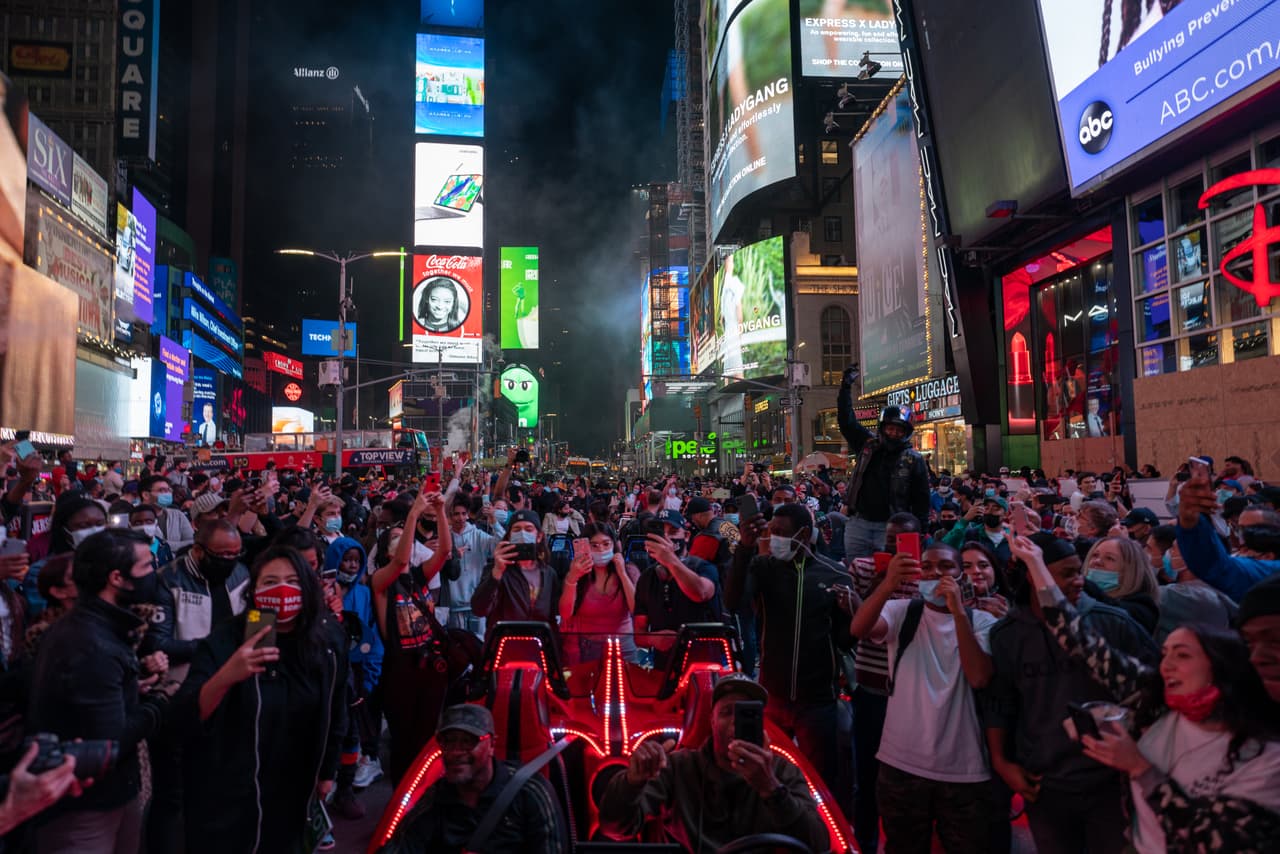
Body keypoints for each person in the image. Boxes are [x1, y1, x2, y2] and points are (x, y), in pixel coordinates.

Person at [1014, 534, 1280, 852]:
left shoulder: (1263, 746)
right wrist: (1034, 562)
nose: (1166, 665)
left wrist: (1139, 767)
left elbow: (1215, 841)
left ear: (1218, 665)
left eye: (1182, 655)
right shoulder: (1158, 702)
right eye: (1165, 654)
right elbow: (1077, 638)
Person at [986, 533, 1159, 854]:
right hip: (1046, 785)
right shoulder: (1007, 635)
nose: (1079, 580)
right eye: (1067, 573)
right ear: (1035, 576)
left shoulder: (1113, 623)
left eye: (1079, 570)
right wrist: (1002, 762)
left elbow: (1153, 693)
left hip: (1112, 784)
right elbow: (1002, 703)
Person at [26, 529, 174, 852]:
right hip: (84, 806)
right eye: (147, 567)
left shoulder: (106, 628)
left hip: (112, 794)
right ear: (117, 578)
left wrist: (133, 689)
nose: (156, 574)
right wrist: (159, 702)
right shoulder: (90, 642)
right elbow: (110, 740)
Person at [849, 541, 997, 853]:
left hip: (963, 768)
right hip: (900, 763)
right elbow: (860, 628)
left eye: (946, 567)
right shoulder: (903, 612)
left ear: (960, 575)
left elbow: (979, 675)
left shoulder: (982, 623)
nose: (935, 574)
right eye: (927, 567)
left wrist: (958, 611)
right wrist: (889, 584)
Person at [597, 674, 829, 851]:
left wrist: (770, 789)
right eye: (728, 712)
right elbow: (615, 827)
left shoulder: (781, 771)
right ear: (712, 720)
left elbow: (820, 844)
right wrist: (631, 782)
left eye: (747, 713)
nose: (736, 723)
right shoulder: (679, 767)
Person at [727, 503, 853, 812]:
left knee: (820, 783)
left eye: (782, 533)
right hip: (772, 696)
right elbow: (732, 600)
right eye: (772, 532)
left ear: (804, 535)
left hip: (818, 701)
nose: (776, 539)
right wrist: (744, 549)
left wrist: (852, 610)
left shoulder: (834, 574)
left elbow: (845, 639)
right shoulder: (763, 567)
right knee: (764, 775)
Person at [380, 703, 568, 853]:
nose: (455, 752)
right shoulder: (436, 799)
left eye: (468, 741)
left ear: (492, 744)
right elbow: (401, 846)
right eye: (448, 742)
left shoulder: (530, 793)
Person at [369, 491, 455, 784]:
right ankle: (402, 804)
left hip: (429, 667)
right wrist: (413, 516)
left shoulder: (418, 578)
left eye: (402, 534)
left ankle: (427, 792)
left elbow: (444, 552)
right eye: (394, 536)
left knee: (429, 738)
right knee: (404, 742)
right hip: (400, 670)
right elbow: (400, 559)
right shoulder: (380, 582)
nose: (400, 539)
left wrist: (441, 511)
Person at [837, 365, 931, 557]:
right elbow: (847, 422)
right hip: (859, 523)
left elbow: (922, 500)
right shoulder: (867, 445)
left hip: (891, 526)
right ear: (882, 428)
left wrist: (920, 531)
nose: (894, 433)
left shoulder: (914, 460)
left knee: (888, 572)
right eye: (890, 428)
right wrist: (845, 388)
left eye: (899, 430)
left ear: (906, 433)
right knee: (856, 571)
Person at [325, 535, 384, 817]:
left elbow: (372, 638)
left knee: (350, 732)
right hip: (326, 674)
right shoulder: (322, 592)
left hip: (356, 676)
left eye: (355, 561)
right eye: (345, 559)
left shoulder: (363, 594)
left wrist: (370, 677)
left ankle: (345, 788)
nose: (350, 565)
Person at [631, 510, 722, 664]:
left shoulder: (703, 567)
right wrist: (654, 639)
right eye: (662, 533)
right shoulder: (647, 578)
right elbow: (639, 634)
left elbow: (700, 593)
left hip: (703, 664)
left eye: (673, 532)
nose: (667, 538)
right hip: (664, 667)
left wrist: (671, 561)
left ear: (686, 536)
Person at [1175, 469, 1280, 602]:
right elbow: (1216, 567)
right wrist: (1190, 520)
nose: (1245, 536)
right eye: (1240, 527)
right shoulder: (1268, 573)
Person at [558, 523, 638, 665]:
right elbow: (565, 613)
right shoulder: (579, 575)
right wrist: (573, 578)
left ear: (614, 545)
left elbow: (636, 610)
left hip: (623, 644)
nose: (601, 549)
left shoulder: (629, 571)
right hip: (588, 646)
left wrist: (623, 574)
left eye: (606, 544)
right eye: (594, 545)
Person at [444, 498, 501, 639]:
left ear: (468, 514)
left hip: (476, 603)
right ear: (450, 516)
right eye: (456, 514)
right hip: (454, 605)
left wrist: (494, 520)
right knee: (458, 647)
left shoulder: (477, 535)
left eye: (464, 513)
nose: (460, 518)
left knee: (479, 642)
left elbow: (501, 544)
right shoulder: (444, 538)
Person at [1082, 535, 1160, 634]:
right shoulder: (1080, 594)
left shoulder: (1141, 609)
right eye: (1095, 555)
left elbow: (1111, 613)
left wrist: (1084, 584)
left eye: (1109, 558)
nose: (1097, 562)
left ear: (1130, 571)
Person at [140, 475, 195, 552]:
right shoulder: (135, 519)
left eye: (169, 490)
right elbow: (149, 547)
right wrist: (179, 545)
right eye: (162, 490)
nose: (167, 494)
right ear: (146, 495)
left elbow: (192, 543)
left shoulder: (178, 515)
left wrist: (163, 545)